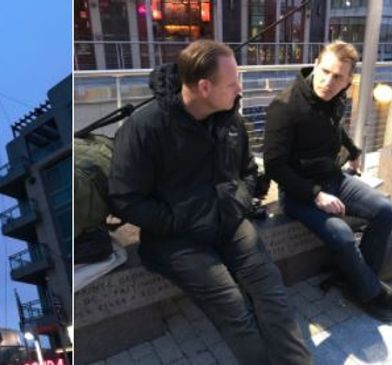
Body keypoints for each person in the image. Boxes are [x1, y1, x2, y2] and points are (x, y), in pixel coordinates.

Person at [109, 40, 311, 365]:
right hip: (176, 237)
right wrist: (178, 220)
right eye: (232, 83)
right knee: (233, 307)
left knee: (270, 289)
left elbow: (248, 171)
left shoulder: (230, 119)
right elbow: (125, 199)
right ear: (204, 86)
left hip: (229, 222)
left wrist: (238, 202)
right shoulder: (145, 128)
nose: (240, 89)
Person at [264, 40, 392, 321]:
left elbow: (335, 129)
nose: (328, 82)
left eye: (338, 77)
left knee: (385, 210)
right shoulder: (284, 106)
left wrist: (354, 150)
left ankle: (360, 281)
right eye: (325, 72)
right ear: (316, 64)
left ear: (348, 81)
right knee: (343, 235)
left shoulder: (337, 97)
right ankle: (370, 293)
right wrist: (316, 194)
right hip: (299, 193)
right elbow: (274, 165)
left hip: (335, 178)